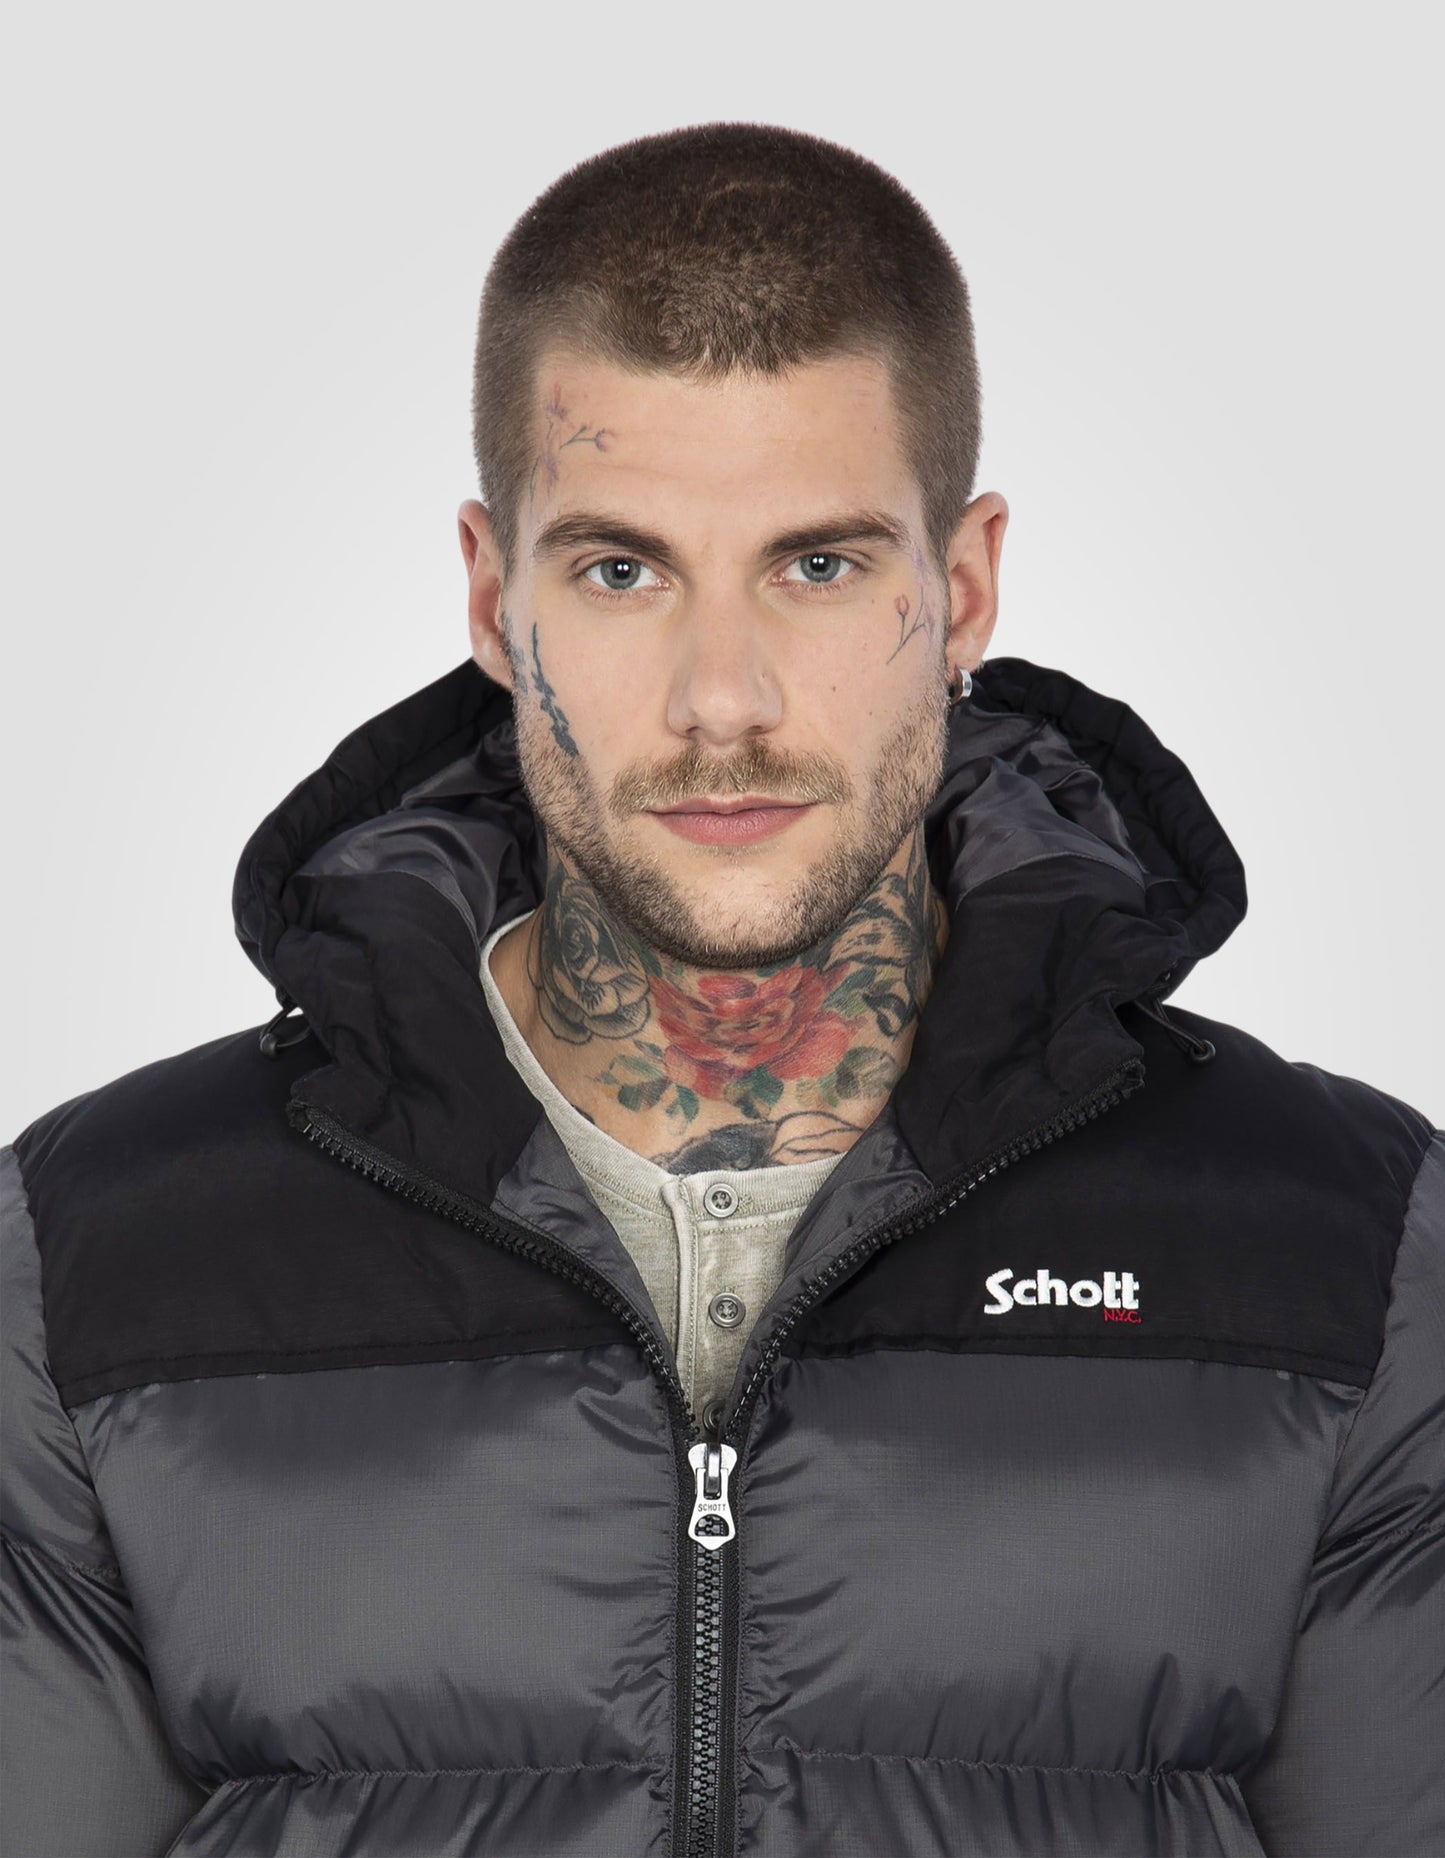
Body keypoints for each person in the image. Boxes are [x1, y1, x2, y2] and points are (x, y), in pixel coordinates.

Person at [2, 122, 1440, 1858]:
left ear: (961, 587)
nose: (722, 700)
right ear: (493, 597)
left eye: (816, 565)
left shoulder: (1345, 1252)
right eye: (620, 570)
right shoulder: (99, 1260)